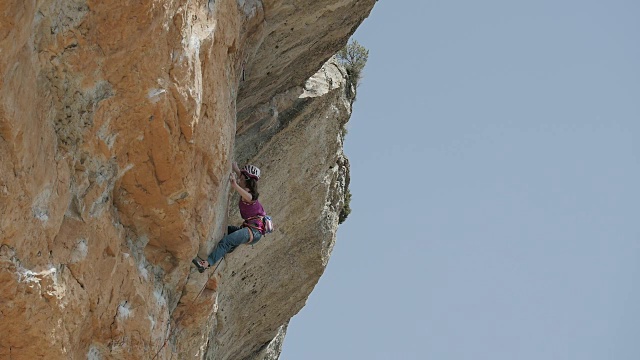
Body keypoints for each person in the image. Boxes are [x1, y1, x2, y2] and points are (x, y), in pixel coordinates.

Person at [192, 163, 266, 273]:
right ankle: (227, 248)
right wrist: (235, 168)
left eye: (241, 178)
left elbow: (248, 197)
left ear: (246, 180)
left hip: (253, 231)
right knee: (229, 230)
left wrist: (234, 184)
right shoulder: (247, 190)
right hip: (251, 231)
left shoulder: (250, 196)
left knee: (227, 241)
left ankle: (205, 264)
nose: (239, 178)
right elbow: (242, 176)